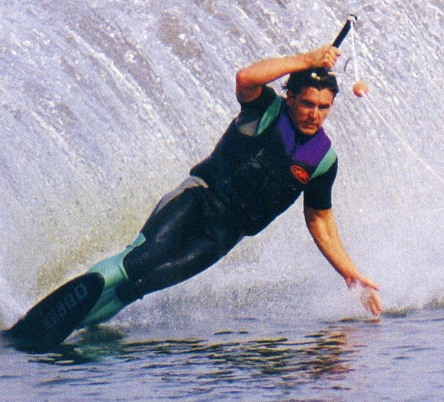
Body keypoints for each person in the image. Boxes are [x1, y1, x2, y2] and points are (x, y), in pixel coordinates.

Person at [78, 44, 382, 325]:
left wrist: (350, 273)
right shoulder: (265, 109)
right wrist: (307, 60)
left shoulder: (322, 159)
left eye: (323, 107)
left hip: (225, 234)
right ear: (291, 97)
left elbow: (320, 219)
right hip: (198, 199)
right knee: (141, 260)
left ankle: (72, 322)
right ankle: (76, 298)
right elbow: (246, 77)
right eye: (307, 104)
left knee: (145, 284)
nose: (314, 115)